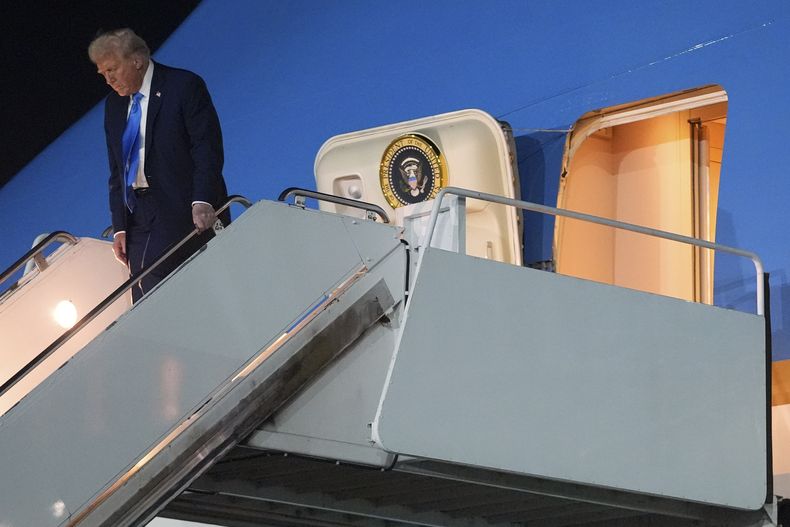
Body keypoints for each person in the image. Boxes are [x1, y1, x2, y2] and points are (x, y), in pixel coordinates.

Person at [88, 28, 229, 303]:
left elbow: (206, 148)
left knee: (170, 294)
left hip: (181, 206)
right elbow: (117, 170)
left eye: (112, 69)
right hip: (138, 217)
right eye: (103, 74)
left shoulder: (183, 86)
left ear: (137, 60)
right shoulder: (113, 106)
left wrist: (202, 199)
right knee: (144, 296)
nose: (109, 80)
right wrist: (119, 227)